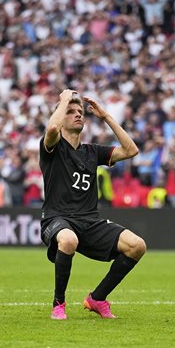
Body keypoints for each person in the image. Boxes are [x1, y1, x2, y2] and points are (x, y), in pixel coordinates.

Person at [40, 89, 146, 320]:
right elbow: (51, 129)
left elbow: (131, 150)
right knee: (68, 240)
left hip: (89, 221)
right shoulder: (52, 147)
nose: (78, 114)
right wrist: (65, 99)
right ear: (60, 115)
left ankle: (97, 298)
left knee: (137, 245)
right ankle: (59, 304)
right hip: (57, 218)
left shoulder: (91, 152)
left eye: (80, 112)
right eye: (71, 112)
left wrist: (106, 116)